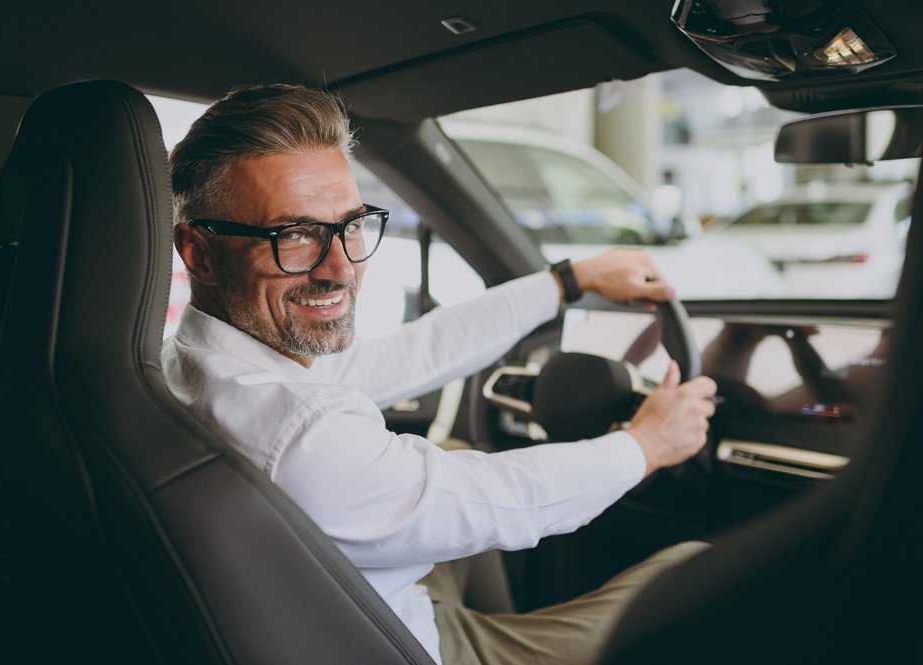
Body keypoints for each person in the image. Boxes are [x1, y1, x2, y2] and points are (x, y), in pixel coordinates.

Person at [162, 83, 718, 665]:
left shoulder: (193, 366)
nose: (339, 268)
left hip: (364, 612)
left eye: (351, 225)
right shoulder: (301, 434)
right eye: (294, 235)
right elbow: (507, 498)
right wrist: (648, 444)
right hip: (413, 649)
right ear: (198, 252)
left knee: (450, 444)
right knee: (702, 575)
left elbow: (410, 355)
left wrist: (565, 283)